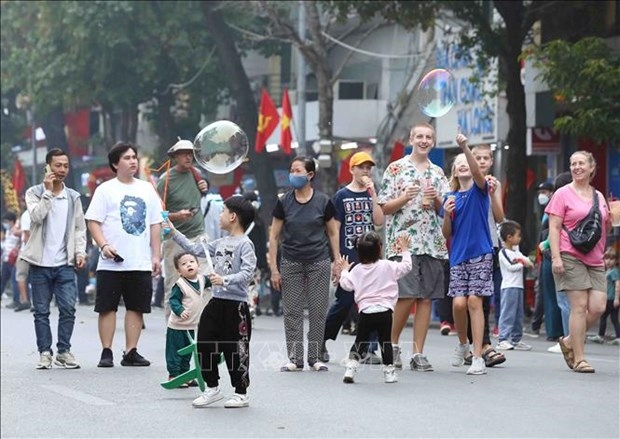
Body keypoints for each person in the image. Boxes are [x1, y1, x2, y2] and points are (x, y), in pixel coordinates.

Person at [168, 196, 257, 408]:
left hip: (236, 306)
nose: (220, 215)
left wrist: (225, 279)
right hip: (216, 302)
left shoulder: (246, 244)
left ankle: (241, 392)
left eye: (223, 211)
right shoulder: (220, 243)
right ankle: (212, 388)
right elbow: (194, 249)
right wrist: (172, 230)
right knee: (205, 343)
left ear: (233, 217)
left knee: (236, 350)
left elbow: (248, 271)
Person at [377, 123, 449, 372]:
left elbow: (447, 209)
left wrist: (437, 200)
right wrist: (405, 198)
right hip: (403, 241)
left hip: (431, 241)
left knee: (426, 298)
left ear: (434, 141)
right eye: (419, 136)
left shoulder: (438, 172)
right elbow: (383, 207)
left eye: (428, 137)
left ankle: (418, 352)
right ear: (411, 139)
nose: (424, 140)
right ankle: (392, 344)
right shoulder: (395, 168)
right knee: (406, 296)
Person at [85, 142, 163, 368]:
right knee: (107, 307)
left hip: (140, 259)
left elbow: (155, 224)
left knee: (136, 307)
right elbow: (93, 221)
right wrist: (103, 245)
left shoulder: (147, 189)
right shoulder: (105, 190)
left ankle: (131, 351)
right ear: (115, 163)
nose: (133, 161)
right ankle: (106, 351)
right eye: (127, 158)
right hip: (111, 261)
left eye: (134, 157)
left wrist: (155, 255)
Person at [268, 156, 340, 372]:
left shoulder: (323, 201)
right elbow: (274, 236)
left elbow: (332, 232)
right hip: (290, 260)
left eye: (298, 170)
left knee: (318, 310)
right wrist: (274, 269)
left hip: (318, 260)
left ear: (310, 175)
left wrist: (337, 260)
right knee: (292, 311)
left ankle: (315, 357)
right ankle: (294, 358)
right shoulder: (283, 202)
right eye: (292, 170)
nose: (293, 174)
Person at [20, 148, 87, 369]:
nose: (62, 170)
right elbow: (36, 217)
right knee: (41, 312)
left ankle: (64, 351)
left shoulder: (74, 197)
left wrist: (80, 252)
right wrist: (48, 192)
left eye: (66, 166)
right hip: (40, 264)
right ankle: (44, 353)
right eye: (58, 165)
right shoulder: (34, 193)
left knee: (68, 308)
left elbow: (79, 228)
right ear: (48, 167)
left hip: (64, 264)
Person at [546, 150, 610, 373]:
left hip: (596, 258)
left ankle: (568, 341)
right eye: (573, 163)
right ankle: (579, 358)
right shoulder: (562, 194)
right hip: (569, 254)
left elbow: (605, 226)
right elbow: (553, 227)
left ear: (592, 167)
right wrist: (555, 258)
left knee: (599, 306)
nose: (577, 167)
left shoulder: (599, 196)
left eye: (581, 163)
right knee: (579, 307)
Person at [321, 151, 385, 364]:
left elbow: (378, 222)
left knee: (374, 302)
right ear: (352, 169)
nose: (365, 171)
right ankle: (322, 339)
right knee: (344, 301)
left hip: (371, 256)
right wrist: (337, 260)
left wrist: (373, 193)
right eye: (361, 167)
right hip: (349, 256)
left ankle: (368, 349)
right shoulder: (341, 196)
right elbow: (335, 229)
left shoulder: (372, 194)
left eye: (368, 168)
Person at [442, 133, 495, 375]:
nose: (464, 164)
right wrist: (445, 214)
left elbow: (477, 173)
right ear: (453, 172)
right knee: (459, 303)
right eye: (459, 163)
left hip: (481, 253)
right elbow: (447, 233)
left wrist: (465, 146)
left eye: (467, 161)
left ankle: (477, 356)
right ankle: (462, 344)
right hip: (458, 257)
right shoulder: (450, 197)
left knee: (475, 301)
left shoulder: (480, 191)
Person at [339, 232, 412, 384]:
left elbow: (346, 285)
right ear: (379, 249)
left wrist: (344, 270)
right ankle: (389, 373)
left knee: (360, 342)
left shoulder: (357, 270)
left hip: (365, 312)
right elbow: (406, 267)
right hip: (385, 311)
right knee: (385, 342)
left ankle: (350, 370)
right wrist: (405, 250)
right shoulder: (388, 266)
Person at [157, 139, 208, 320]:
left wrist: (205, 187)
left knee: (204, 281)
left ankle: (201, 325)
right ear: (176, 156)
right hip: (174, 238)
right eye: (184, 153)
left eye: (191, 153)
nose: (188, 157)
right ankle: (173, 326)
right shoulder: (166, 180)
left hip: (198, 235)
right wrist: (177, 216)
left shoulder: (197, 174)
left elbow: (201, 194)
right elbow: (158, 213)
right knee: (174, 283)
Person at [469, 143, 506, 367]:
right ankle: (470, 344)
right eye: (478, 158)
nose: (482, 162)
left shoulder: (494, 183)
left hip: (489, 244)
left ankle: (484, 345)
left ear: (491, 161)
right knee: (466, 300)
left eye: (485, 158)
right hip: (467, 246)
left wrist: (493, 194)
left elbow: (500, 216)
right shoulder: (465, 179)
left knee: (483, 298)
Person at [166, 251, 211, 385]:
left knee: (188, 352)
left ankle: (185, 374)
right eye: (184, 264)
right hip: (177, 326)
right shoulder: (180, 285)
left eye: (191, 262)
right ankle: (174, 375)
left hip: (191, 325)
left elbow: (212, 280)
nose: (188, 265)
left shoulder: (202, 280)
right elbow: (173, 301)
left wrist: (218, 278)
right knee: (176, 351)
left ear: (198, 265)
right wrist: (180, 310)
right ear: (179, 271)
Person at [496, 220, 534, 351]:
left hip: (519, 286)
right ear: (509, 237)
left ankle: (516, 339)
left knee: (518, 314)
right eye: (518, 235)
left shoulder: (516, 252)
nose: (520, 238)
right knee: (508, 313)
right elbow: (511, 267)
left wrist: (522, 261)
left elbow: (528, 261)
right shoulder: (504, 253)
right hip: (509, 286)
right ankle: (503, 339)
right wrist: (522, 263)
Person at [587, 247, 620, 345]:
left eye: (611, 259)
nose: (608, 261)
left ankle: (601, 335)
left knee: (606, 317)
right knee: (611, 318)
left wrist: (616, 298)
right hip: (608, 298)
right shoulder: (609, 271)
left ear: (616, 260)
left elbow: (617, 285)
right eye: (606, 259)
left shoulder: (614, 272)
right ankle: (613, 336)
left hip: (611, 298)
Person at [14, 199, 32, 311]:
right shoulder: (40, 213)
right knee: (37, 277)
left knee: (21, 276)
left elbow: (26, 236)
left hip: (27, 251)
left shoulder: (26, 215)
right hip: (38, 251)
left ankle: (25, 300)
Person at [1, 212, 20, 309]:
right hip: (6, 258)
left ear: (12, 221)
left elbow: (21, 241)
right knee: (2, 280)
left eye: (6, 221)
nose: (5, 223)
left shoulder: (16, 231)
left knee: (14, 280)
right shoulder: (8, 231)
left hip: (13, 260)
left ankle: (16, 301)